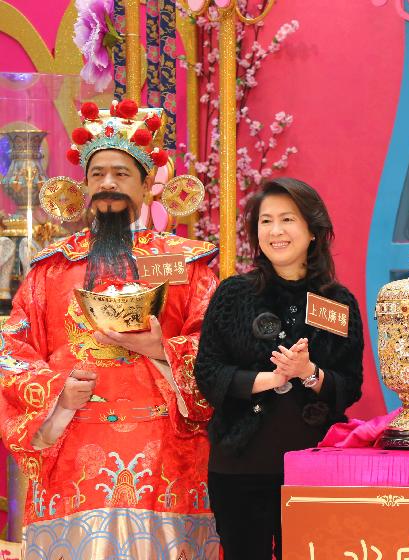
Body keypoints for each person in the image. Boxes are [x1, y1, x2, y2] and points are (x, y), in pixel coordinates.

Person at [0, 101, 220, 558]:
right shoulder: (51, 268)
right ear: (83, 186)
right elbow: (12, 350)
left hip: (166, 449)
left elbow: (218, 345)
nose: (108, 184)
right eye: (98, 173)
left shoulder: (186, 262)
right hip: (74, 443)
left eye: (122, 173)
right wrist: (60, 392)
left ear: (146, 186)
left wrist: (163, 348)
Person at [194, 177, 364, 560]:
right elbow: (207, 372)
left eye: (287, 219)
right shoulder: (233, 294)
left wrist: (309, 372)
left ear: (313, 231)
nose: (276, 231)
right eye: (265, 221)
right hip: (240, 465)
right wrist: (271, 379)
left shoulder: (338, 301)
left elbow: (350, 385)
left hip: (314, 466)